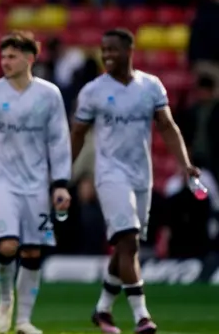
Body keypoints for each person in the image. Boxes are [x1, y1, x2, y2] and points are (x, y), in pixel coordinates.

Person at [71, 28, 201, 334]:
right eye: (104, 50)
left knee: (128, 248)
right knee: (127, 240)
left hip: (142, 175)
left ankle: (103, 309)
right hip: (109, 174)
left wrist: (185, 164)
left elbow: (168, 127)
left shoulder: (150, 86)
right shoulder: (93, 91)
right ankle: (142, 316)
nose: (107, 55)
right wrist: (65, 172)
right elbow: (78, 132)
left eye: (113, 50)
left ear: (130, 51)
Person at [0, 31, 72, 334]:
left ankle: (24, 320)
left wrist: (60, 183)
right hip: (2, 182)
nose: (5, 62)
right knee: (8, 244)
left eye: (12, 56)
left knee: (32, 252)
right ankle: (4, 298)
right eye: (3, 56)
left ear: (30, 58)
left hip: (37, 184)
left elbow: (59, 141)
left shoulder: (49, 94)